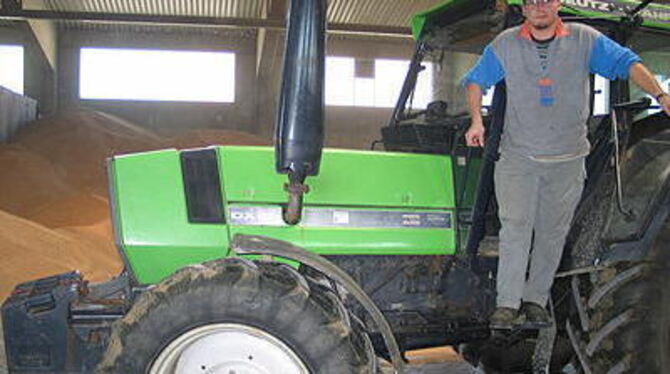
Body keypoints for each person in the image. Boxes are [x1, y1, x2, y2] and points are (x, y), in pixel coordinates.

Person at [461, 0, 670, 329]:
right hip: (519, 157)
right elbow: (475, 81)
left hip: (568, 160)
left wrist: (661, 95)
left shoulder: (585, 39)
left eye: (546, 1)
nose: (539, 7)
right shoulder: (506, 44)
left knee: (551, 234)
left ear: (557, 4)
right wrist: (476, 121)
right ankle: (507, 305)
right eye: (532, 2)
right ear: (524, 9)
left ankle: (535, 300)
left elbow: (628, 63)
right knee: (515, 227)